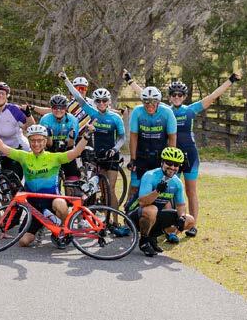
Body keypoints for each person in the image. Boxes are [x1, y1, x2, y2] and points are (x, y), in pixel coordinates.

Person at [0, 120, 93, 247]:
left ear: (45, 141)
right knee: (23, 242)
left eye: (40, 140)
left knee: (61, 204)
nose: (36, 144)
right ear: (29, 141)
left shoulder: (54, 158)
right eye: (33, 140)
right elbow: (2, 147)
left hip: (52, 201)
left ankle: (63, 230)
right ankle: (41, 226)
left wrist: (86, 136)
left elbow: (75, 153)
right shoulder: (24, 156)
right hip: (34, 207)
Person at [167, 72, 240, 238]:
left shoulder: (190, 110)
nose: (177, 97)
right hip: (172, 157)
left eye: (180, 94)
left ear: (184, 96)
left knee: (190, 191)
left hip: (190, 155)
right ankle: (174, 225)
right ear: (170, 97)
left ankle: (192, 225)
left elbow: (213, 96)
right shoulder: (165, 111)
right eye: (174, 94)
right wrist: (129, 81)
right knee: (172, 191)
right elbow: (146, 95)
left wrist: (230, 80)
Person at [60, 71, 127, 217]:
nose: (101, 103)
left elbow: (122, 137)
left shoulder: (115, 118)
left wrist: (115, 149)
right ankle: (102, 219)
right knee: (101, 189)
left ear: (109, 101)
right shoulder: (92, 112)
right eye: (98, 101)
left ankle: (115, 221)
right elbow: (78, 97)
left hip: (112, 156)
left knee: (111, 190)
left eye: (104, 101)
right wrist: (66, 80)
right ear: (94, 102)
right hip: (98, 155)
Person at [123, 69, 177, 210]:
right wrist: (133, 159)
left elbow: (172, 137)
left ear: (158, 102)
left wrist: (171, 160)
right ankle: (128, 215)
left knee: (162, 188)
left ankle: (164, 216)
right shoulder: (138, 112)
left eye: (153, 102)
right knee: (135, 186)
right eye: (146, 102)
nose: (149, 105)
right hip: (142, 155)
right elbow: (133, 136)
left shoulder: (167, 113)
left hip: (160, 156)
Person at [129, 146, 195, 256]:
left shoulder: (177, 182)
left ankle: (152, 237)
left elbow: (180, 205)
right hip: (135, 215)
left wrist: (182, 217)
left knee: (190, 220)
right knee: (152, 209)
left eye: (176, 165)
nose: (172, 167)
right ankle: (144, 241)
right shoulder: (150, 176)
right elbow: (142, 202)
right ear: (162, 162)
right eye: (169, 163)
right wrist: (157, 191)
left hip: (156, 215)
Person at [0, 82, 34, 180]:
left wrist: (28, 115)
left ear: (7, 96)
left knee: (12, 181)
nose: (0, 95)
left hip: (15, 150)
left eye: (3, 93)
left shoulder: (14, 110)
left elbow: (30, 127)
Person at [39, 94, 81, 184]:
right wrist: (49, 137)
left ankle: (70, 187)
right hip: (50, 148)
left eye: (61, 107)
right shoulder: (45, 119)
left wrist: (71, 137)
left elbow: (70, 144)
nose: (58, 110)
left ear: (66, 108)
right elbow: (45, 143)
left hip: (67, 148)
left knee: (72, 179)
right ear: (51, 108)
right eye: (55, 107)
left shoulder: (73, 120)